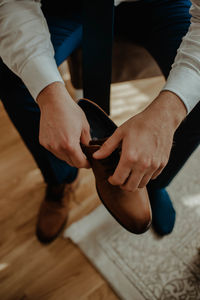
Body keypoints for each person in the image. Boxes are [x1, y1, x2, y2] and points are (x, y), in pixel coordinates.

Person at [0, 0, 199, 243]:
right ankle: (61, 180)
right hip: (68, 6)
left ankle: (151, 180)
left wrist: (169, 113)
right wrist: (49, 93)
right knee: (11, 76)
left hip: (160, 3)